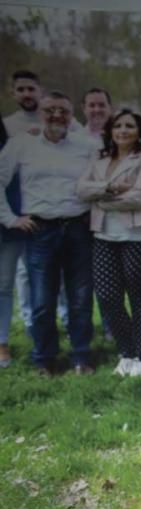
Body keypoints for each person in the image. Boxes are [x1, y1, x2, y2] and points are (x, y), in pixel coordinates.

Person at [0, 90, 97, 375]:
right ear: (40, 113)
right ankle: (44, 358)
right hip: (40, 230)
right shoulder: (21, 144)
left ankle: (81, 356)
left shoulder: (87, 145)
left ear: (72, 115)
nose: (57, 116)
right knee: (42, 300)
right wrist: (9, 218)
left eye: (63, 111)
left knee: (80, 298)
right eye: (50, 110)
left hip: (79, 228)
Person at [76, 109, 141, 376]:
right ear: (110, 131)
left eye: (129, 126)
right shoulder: (99, 158)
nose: (123, 130)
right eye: (118, 126)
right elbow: (81, 189)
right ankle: (126, 351)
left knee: (140, 294)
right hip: (104, 234)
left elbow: (140, 197)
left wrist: (99, 197)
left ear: (139, 132)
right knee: (107, 296)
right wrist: (111, 189)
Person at [0, 115, 21, 368]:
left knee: (4, 285)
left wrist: (11, 219)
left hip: (8, 228)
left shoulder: (10, 151)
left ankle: (2, 342)